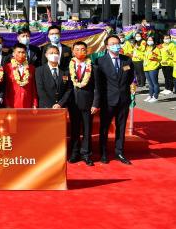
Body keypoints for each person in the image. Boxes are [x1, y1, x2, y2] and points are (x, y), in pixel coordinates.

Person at [94, 35, 135, 165]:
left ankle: (119, 152)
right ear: (107, 46)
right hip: (107, 100)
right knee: (104, 127)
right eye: (112, 43)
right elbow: (98, 83)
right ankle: (104, 153)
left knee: (121, 127)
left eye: (117, 43)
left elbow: (129, 79)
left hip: (123, 99)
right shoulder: (100, 61)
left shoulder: (127, 61)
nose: (116, 45)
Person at [68, 42, 100, 166]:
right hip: (73, 103)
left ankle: (86, 153)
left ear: (86, 51)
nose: (80, 52)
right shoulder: (68, 66)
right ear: (73, 51)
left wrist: (95, 104)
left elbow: (97, 88)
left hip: (88, 103)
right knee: (75, 129)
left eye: (83, 49)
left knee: (87, 130)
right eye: (77, 49)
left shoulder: (93, 67)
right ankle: (75, 153)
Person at [4, 43, 38, 108]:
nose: (21, 54)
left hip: (28, 102)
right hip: (12, 102)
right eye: (18, 52)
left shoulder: (31, 68)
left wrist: (35, 103)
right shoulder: (7, 67)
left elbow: (33, 87)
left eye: (23, 52)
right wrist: (7, 104)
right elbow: (5, 88)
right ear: (13, 54)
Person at [143, 35, 161, 103]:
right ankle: (150, 95)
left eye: (151, 40)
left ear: (154, 41)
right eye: (148, 40)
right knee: (150, 83)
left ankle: (155, 96)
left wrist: (155, 58)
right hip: (146, 67)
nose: (149, 41)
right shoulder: (147, 48)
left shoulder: (156, 49)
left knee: (154, 83)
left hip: (153, 67)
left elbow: (159, 58)